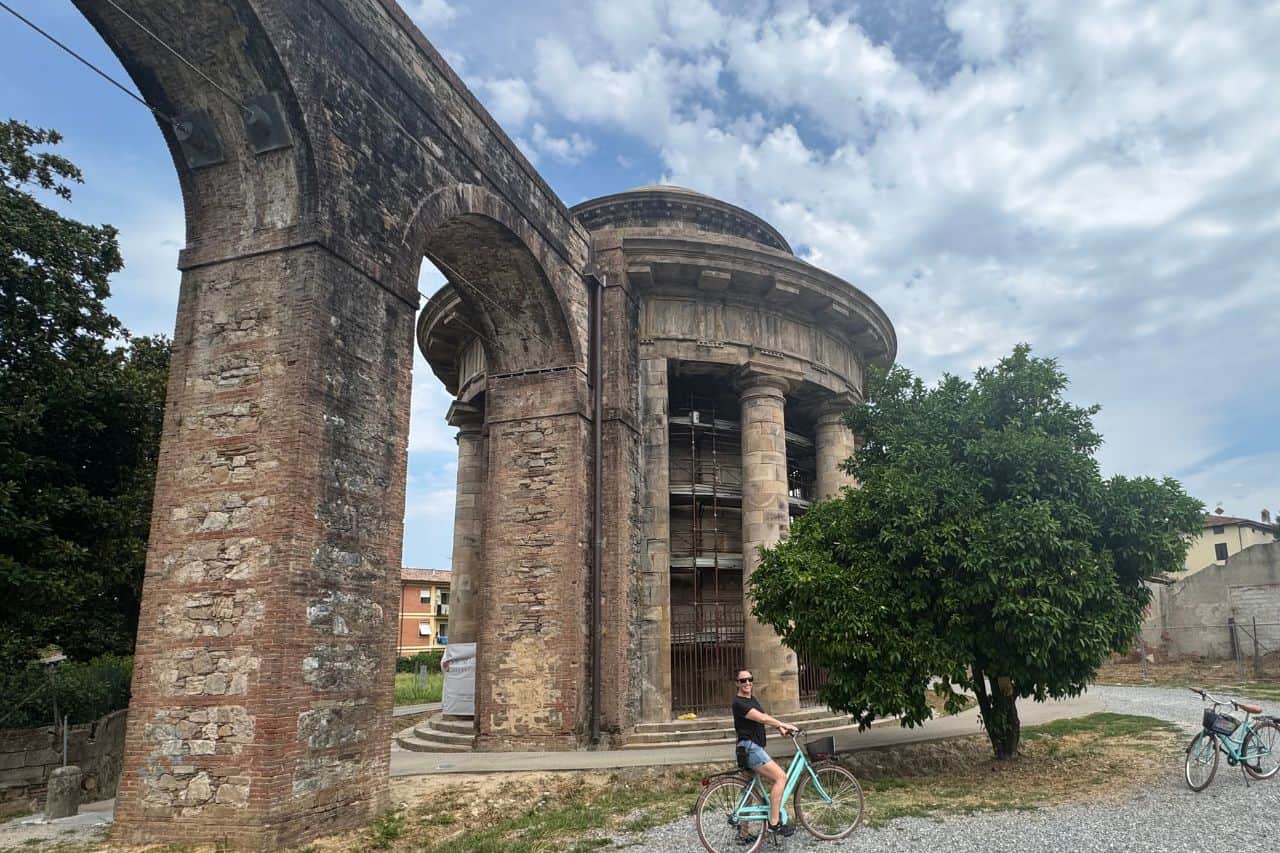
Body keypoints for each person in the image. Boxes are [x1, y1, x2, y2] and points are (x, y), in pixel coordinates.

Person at [731, 668, 799, 838]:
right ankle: (774, 823)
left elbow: (764, 715)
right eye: (743, 680)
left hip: (746, 749)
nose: (747, 683)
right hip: (751, 748)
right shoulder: (739, 702)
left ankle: (743, 834)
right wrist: (785, 723)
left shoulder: (751, 699)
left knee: (747, 790)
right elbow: (761, 718)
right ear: (737, 684)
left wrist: (780, 728)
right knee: (781, 777)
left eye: (749, 679)